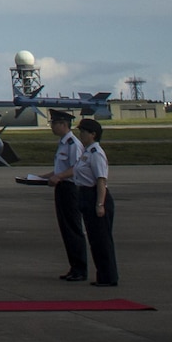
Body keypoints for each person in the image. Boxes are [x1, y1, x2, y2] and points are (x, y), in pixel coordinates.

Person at [43, 109, 89, 281]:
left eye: (53, 123)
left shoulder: (73, 144)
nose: (52, 127)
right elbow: (60, 169)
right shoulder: (63, 143)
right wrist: (42, 177)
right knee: (66, 229)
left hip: (70, 189)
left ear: (63, 124)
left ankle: (80, 268)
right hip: (61, 188)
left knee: (73, 228)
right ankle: (74, 267)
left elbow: (76, 168)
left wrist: (59, 177)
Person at [73, 118, 117, 287]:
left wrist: (100, 204)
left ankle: (109, 277)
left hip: (96, 196)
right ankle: (103, 275)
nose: (81, 135)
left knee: (102, 240)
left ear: (93, 134)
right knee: (95, 240)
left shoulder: (96, 153)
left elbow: (101, 181)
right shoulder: (87, 152)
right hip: (85, 195)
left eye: (83, 132)